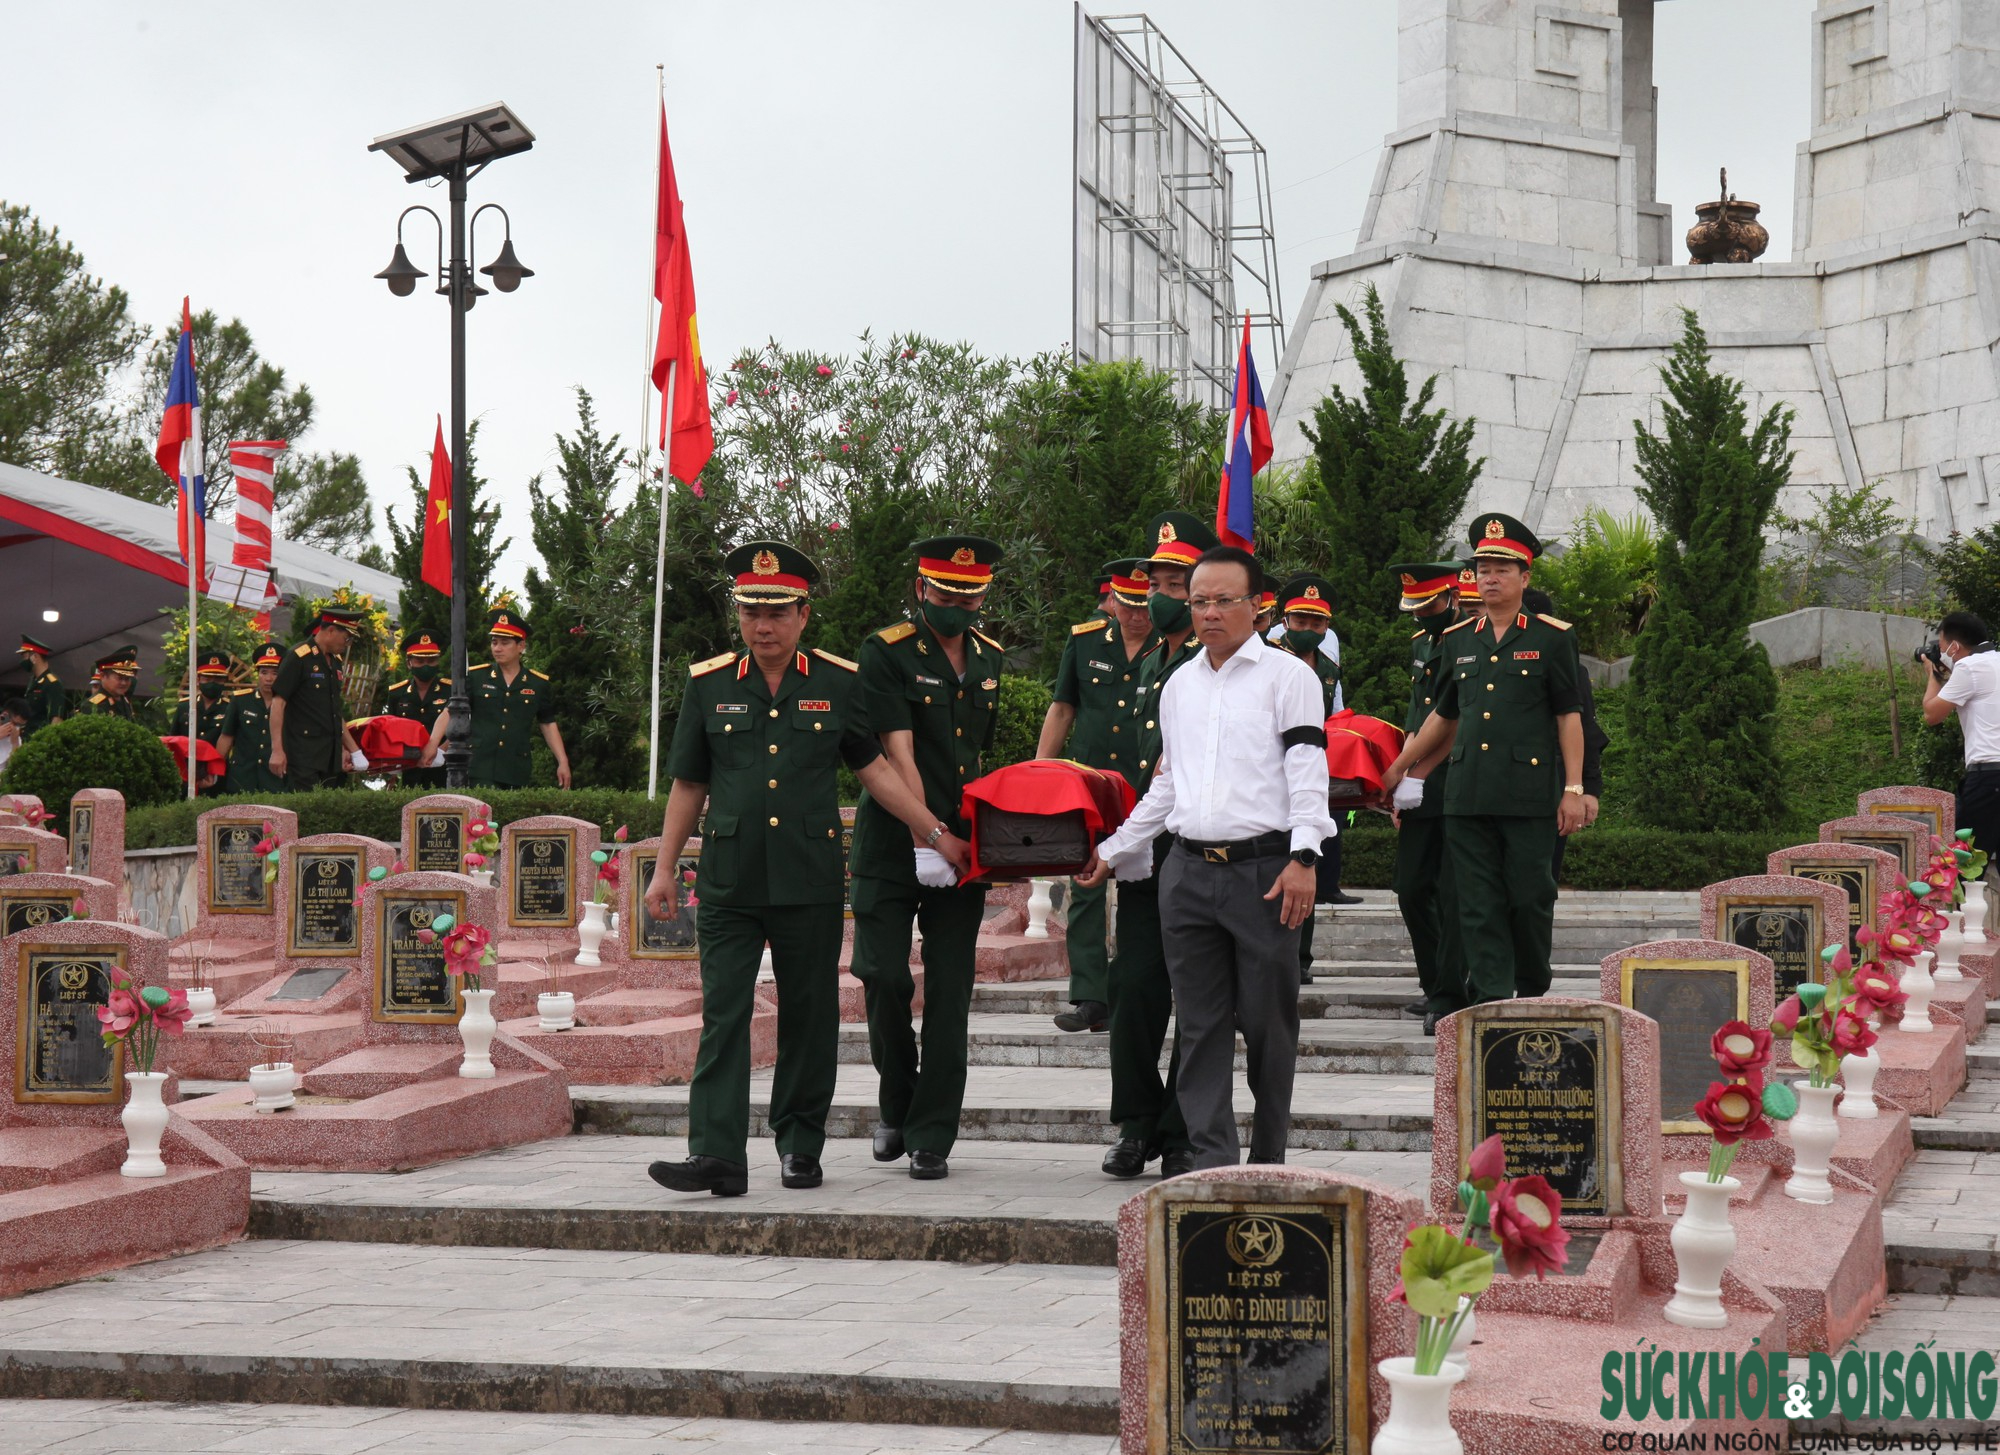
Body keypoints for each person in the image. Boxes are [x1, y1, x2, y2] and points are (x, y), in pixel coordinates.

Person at [641, 541, 969, 1197]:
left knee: (809, 1017)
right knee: (725, 1014)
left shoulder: (837, 682)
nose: (763, 626)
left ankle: (799, 1145)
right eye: (751, 612)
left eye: (777, 612)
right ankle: (717, 1154)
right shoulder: (707, 683)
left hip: (808, 877)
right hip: (731, 881)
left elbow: (874, 769)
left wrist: (933, 832)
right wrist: (664, 868)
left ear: (803, 614)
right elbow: (687, 783)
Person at [1079, 545, 1336, 1171]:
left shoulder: (1289, 677)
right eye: (1199, 602)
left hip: (1266, 873)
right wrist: (1114, 851)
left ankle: (1268, 1158)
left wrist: (1306, 855)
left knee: (1269, 1025)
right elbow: (1168, 785)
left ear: (1258, 606)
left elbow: (1308, 772)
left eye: (1225, 601)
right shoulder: (1179, 684)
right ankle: (1211, 1159)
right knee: (1199, 1025)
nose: (1210, 613)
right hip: (1187, 873)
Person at [849, 536, 1005, 1181]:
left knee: (950, 992)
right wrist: (927, 834)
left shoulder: (990, 660)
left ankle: (932, 1132)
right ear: (921, 590)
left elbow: (976, 758)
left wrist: (960, 839)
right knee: (881, 975)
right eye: (945, 594)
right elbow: (896, 753)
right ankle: (897, 1099)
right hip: (895, 843)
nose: (957, 606)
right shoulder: (884, 653)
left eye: (969, 597)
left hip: (964, 848)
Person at [1383, 514, 1587, 1004]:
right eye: (1483, 568)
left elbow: (1569, 717)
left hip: (1527, 794)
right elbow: (1444, 716)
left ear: (1525, 577)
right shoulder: (1459, 640)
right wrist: (1401, 767)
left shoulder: (1551, 637)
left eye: (1502, 568)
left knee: (1530, 897)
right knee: (1476, 902)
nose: (1490, 577)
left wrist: (1574, 788)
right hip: (1467, 792)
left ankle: (1532, 986)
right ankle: (1493, 998)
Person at [1097, 511, 1211, 1180]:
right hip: (1145, 852)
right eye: (1156, 579)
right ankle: (1136, 1122)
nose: (1158, 592)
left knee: (1195, 995)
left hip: (1196, 848)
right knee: (1134, 988)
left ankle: (1178, 1130)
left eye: (1175, 580)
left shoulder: (1209, 661)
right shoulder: (1153, 661)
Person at [1035, 557, 1156, 1034]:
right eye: (1127, 604)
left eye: (1144, 605)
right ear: (1112, 600)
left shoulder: (1177, 648)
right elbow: (1063, 707)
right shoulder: (1085, 640)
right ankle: (1090, 996)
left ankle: (1133, 991)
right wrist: (1042, 771)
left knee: (1143, 892)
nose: (1136, 615)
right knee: (1085, 884)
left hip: (1147, 792)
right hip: (1089, 787)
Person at [1385, 561, 1473, 1032]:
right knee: (1412, 888)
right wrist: (1403, 781)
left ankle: (1449, 992)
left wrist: (1408, 771)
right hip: (1419, 782)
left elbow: (1453, 719)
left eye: (1431, 605)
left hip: (1454, 777)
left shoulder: (1468, 641)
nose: (1422, 615)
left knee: (1455, 891)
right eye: (1416, 607)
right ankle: (1434, 980)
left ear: (1453, 597)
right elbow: (1417, 714)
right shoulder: (1422, 644)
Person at [1273, 573, 1344, 985]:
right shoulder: (1266, 657)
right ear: (1285, 621)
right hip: (1269, 779)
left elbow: (1334, 718)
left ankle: (1301, 957)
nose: (1308, 630)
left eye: (1317, 624)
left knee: (1307, 857)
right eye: (1300, 622)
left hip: (1312, 774)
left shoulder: (1329, 667)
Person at [424, 608, 573, 789]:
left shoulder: (537, 683)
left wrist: (562, 761)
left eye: (505, 643)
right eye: (494, 642)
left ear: (521, 646)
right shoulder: (477, 676)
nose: (497, 648)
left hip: (515, 768)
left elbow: (548, 723)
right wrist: (433, 743)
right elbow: (451, 711)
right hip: (479, 766)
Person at [1521, 587, 1606, 882]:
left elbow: (1583, 726)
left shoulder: (1570, 668)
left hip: (1553, 777)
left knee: (1541, 877)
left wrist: (1586, 788)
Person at [1921, 609, 2000, 871]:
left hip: (1989, 776)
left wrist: (1933, 673)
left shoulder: (1969, 666)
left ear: (1954, 646)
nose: (1941, 651)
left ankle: (1965, 912)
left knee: (1967, 863)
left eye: (1941, 646)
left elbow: (1932, 714)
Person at [270, 609, 369, 790]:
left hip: (329, 756)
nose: (347, 644)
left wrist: (352, 750)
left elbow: (334, 712)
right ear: (331, 631)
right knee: (305, 810)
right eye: (346, 638)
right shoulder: (298, 657)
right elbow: (278, 703)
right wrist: (277, 750)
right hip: (302, 754)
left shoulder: (335, 662)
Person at [385, 629, 451, 789]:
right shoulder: (397, 693)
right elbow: (391, 732)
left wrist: (443, 749)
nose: (426, 666)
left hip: (443, 766)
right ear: (409, 663)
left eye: (431, 661)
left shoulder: (450, 690)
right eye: (420, 661)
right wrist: (393, 772)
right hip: (410, 768)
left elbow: (463, 726)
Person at [218, 641, 286, 795]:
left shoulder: (290, 704)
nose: (269, 678)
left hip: (275, 780)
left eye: (275, 673)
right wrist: (214, 769)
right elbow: (226, 736)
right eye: (264, 672)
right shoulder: (241, 700)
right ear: (258, 674)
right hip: (242, 778)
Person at [188, 651, 234, 796]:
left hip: (218, 777)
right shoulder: (186, 707)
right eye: (207, 679)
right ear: (198, 679)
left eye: (217, 679)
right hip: (187, 773)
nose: (212, 683)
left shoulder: (230, 708)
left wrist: (214, 771)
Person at [16, 636, 65, 735]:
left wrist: (47, 743)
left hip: (41, 741)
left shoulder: (52, 683)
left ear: (35, 657)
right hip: (29, 738)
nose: (23, 660)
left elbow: (57, 719)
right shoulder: (33, 681)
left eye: (25, 656)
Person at [81, 648, 141, 720]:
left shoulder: (124, 699)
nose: (124, 683)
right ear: (103, 676)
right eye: (120, 678)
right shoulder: (93, 705)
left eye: (127, 679)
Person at [0, 699, 27, 772]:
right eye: (15, 724)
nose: (16, 728)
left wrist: (15, 745)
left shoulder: (16, 738)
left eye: (20, 726)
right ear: (5, 716)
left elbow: (12, 768)